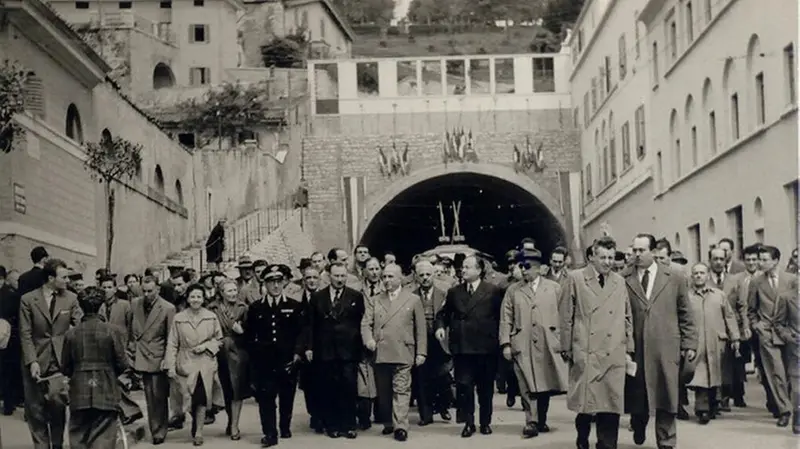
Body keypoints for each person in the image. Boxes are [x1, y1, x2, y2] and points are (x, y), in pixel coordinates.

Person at [624, 234, 697, 449]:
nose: (637, 255)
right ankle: (638, 424)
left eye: (641, 250)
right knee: (639, 397)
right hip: (636, 348)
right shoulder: (624, 277)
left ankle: (666, 441)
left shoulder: (674, 276)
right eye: (634, 250)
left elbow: (685, 312)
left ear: (654, 251)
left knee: (666, 394)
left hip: (666, 348)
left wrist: (690, 343)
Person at [559, 236, 633, 449]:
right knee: (586, 405)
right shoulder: (576, 279)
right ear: (592, 257)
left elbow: (627, 316)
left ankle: (606, 445)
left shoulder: (619, 282)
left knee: (611, 403)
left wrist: (629, 347)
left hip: (613, 351)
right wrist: (566, 347)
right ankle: (582, 438)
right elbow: (566, 315)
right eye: (603, 257)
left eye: (611, 257)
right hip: (585, 349)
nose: (608, 262)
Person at [500, 248, 567, 438]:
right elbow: (506, 318)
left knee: (544, 384)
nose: (523, 271)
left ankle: (541, 419)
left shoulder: (554, 288)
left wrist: (563, 341)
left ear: (539, 268)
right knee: (526, 384)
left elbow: (564, 316)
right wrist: (506, 343)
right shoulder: (513, 290)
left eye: (527, 267)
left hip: (547, 343)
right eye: (521, 266)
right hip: (522, 343)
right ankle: (531, 421)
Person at [435, 255, 504, 438]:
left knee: (485, 388)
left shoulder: (493, 291)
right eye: (462, 267)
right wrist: (441, 327)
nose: (462, 270)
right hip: (462, 348)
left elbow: (502, 318)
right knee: (464, 388)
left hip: (485, 348)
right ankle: (469, 422)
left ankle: (485, 422)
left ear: (479, 270)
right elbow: (442, 314)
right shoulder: (454, 292)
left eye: (467, 267)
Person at [19, 258, 82, 449]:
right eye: (63, 277)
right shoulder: (28, 300)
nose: (67, 281)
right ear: (50, 278)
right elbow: (25, 333)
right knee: (35, 411)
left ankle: (56, 444)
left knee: (58, 405)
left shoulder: (70, 298)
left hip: (59, 363)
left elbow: (80, 324)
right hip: (35, 361)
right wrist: (32, 361)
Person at [361, 263, 427, 442]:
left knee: (402, 389)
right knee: (384, 391)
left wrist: (421, 352)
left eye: (391, 277)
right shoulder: (375, 300)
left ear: (400, 279)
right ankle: (389, 422)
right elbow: (366, 323)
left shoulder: (412, 300)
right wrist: (368, 339)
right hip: (381, 351)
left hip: (403, 351)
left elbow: (421, 329)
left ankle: (401, 426)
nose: (386, 280)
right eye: (384, 277)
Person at [244, 264, 306, 447]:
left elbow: (301, 333)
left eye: (279, 282)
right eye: (271, 282)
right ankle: (270, 433)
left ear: (284, 283)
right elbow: (249, 335)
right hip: (265, 362)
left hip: (287, 360)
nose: (276, 286)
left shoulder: (294, 306)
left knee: (287, 396)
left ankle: (284, 425)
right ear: (265, 284)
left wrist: (297, 354)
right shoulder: (256, 308)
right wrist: (255, 357)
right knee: (266, 398)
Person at [61, 286, 129, 449]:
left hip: (79, 390)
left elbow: (65, 367)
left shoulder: (71, 334)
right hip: (105, 387)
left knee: (78, 436)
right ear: (101, 306)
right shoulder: (112, 331)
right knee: (104, 435)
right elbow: (122, 363)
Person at [305, 261, 366, 439]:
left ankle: (348, 425)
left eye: (342, 276)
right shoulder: (318, 297)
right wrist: (309, 347)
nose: (339, 279)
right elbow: (311, 325)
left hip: (348, 350)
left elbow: (361, 322)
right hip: (325, 349)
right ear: (329, 276)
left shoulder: (355, 296)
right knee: (328, 387)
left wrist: (360, 348)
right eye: (336, 276)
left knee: (348, 386)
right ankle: (332, 425)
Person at [165, 284, 224, 446]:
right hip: (185, 362)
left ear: (203, 299)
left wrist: (206, 346)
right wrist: (169, 365)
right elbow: (172, 343)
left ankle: (199, 431)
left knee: (202, 397)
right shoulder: (179, 318)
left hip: (205, 362)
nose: (195, 300)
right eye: (192, 297)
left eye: (199, 296)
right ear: (187, 299)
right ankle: (195, 422)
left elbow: (219, 340)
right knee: (188, 397)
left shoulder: (211, 317)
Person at [685, 263, 740, 424]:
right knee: (700, 376)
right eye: (696, 273)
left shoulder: (719, 295)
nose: (699, 276)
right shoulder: (687, 297)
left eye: (702, 273)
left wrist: (735, 337)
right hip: (697, 343)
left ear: (708, 275)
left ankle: (714, 404)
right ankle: (702, 409)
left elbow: (729, 316)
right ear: (692, 276)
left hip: (717, 341)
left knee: (715, 375)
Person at [748, 245, 796, 427]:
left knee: (792, 374)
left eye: (764, 259)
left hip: (790, 333)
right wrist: (756, 325)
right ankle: (784, 410)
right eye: (759, 259)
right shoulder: (756, 282)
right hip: (767, 333)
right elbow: (751, 309)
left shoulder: (792, 280)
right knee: (776, 373)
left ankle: (792, 405)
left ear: (775, 261)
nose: (760, 263)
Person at [131, 276, 176, 445]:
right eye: (144, 290)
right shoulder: (135, 304)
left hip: (157, 356)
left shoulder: (167, 308)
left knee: (158, 395)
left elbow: (170, 337)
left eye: (150, 291)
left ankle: (159, 430)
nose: (147, 294)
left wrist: (167, 359)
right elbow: (131, 328)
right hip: (140, 354)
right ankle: (155, 427)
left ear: (157, 288)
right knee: (149, 395)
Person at [208, 279, 250, 440]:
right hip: (218, 351)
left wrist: (241, 330)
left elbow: (250, 331)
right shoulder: (212, 308)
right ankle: (231, 420)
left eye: (234, 290)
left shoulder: (243, 308)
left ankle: (234, 426)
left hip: (237, 352)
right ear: (221, 293)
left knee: (236, 389)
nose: (233, 293)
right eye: (229, 291)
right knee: (225, 389)